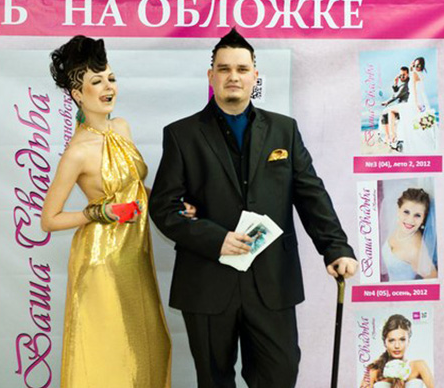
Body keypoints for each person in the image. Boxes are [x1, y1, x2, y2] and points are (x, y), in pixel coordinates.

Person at [149, 28, 358, 388]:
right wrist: (215, 238)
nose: (233, 76)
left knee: (281, 373)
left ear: (254, 76)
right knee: (214, 382)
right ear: (211, 76)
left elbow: (311, 194)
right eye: (224, 69)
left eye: (242, 69)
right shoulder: (181, 135)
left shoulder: (284, 130)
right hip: (207, 280)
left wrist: (335, 247)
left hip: (272, 280)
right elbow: (164, 207)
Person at [40, 35, 189, 387]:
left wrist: (170, 203)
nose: (108, 87)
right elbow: (49, 219)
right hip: (100, 260)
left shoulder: (122, 127)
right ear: (78, 94)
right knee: (111, 352)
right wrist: (99, 213)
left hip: (134, 253)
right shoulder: (77, 152)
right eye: (97, 81)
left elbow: (134, 189)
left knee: (150, 345)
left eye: (111, 78)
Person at [361, 314, 434, 388]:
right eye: (391, 340)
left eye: (402, 339)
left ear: (408, 341)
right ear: (385, 343)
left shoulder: (419, 366)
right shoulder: (373, 370)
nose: (397, 346)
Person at [381, 188, 437, 282]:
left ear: (423, 218)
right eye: (406, 212)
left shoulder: (415, 251)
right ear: (399, 210)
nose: (410, 220)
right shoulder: (399, 227)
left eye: (417, 215)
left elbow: (433, 279)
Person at [380, 66, 410, 150]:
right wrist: (395, 83)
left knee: (385, 113)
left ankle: (391, 136)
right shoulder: (404, 83)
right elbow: (397, 91)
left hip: (405, 106)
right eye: (400, 75)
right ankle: (389, 137)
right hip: (401, 105)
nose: (402, 77)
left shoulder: (406, 85)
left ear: (408, 74)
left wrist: (387, 102)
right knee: (385, 114)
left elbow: (396, 95)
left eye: (404, 75)